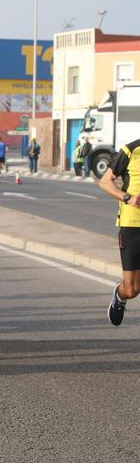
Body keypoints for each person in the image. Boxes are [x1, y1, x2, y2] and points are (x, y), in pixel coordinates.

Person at [101, 139, 140, 326]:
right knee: (132, 289)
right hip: (132, 224)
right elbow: (105, 182)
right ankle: (120, 294)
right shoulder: (131, 150)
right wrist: (127, 198)